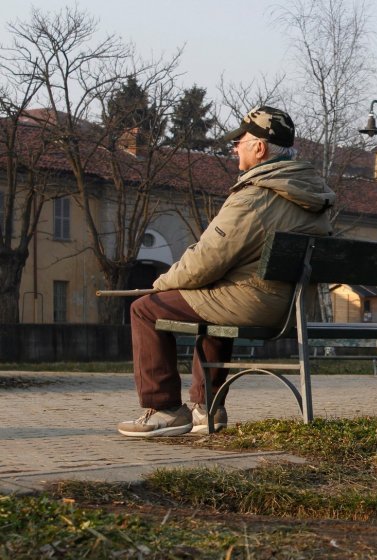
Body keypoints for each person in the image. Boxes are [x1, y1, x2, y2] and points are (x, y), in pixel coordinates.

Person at [117, 106, 335, 437]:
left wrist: (158, 286)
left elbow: (205, 260)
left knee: (145, 309)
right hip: (294, 307)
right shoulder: (313, 199)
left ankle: (165, 410)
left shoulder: (255, 197)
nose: (234, 147)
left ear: (259, 147)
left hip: (256, 303)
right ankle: (208, 409)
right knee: (213, 299)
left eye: (241, 141)